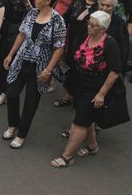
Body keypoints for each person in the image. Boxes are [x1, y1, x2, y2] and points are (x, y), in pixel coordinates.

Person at [50, 11, 122, 168]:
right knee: (86, 117)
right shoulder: (86, 36)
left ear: (103, 29)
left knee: (80, 122)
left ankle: (67, 156)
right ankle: (92, 146)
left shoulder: (110, 43)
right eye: (89, 23)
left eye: (93, 25)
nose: (89, 26)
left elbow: (115, 71)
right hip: (79, 83)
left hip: (95, 87)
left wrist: (101, 94)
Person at [3, 0, 66, 148]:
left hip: (41, 66)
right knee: (11, 92)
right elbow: (22, 34)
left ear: (49, 0)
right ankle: (13, 124)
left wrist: (49, 70)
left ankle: (22, 134)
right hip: (22, 60)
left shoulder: (57, 20)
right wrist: (11, 54)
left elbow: (59, 48)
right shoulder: (31, 13)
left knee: (31, 102)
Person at [54, 0, 106, 107]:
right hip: (72, 40)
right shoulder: (79, 0)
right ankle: (67, 95)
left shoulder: (100, 8)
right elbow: (67, 16)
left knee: (81, 71)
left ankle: (79, 98)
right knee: (69, 67)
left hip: (89, 45)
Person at [98, 0, 130, 73]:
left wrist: (120, 70)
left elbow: (123, 48)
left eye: (108, 5)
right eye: (102, 4)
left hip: (109, 64)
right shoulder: (91, 18)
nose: (104, 8)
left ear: (113, 6)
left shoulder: (120, 24)